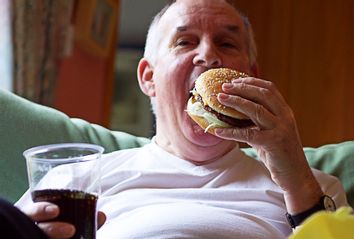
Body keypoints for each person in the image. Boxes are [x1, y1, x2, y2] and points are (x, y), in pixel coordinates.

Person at [10, 0, 348, 238]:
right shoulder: (72, 181)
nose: (208, 55)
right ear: (148, 78)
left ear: (250, 75)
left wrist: (298, 180)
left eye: (227, 43)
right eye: (185, 41)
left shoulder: (313, 189)